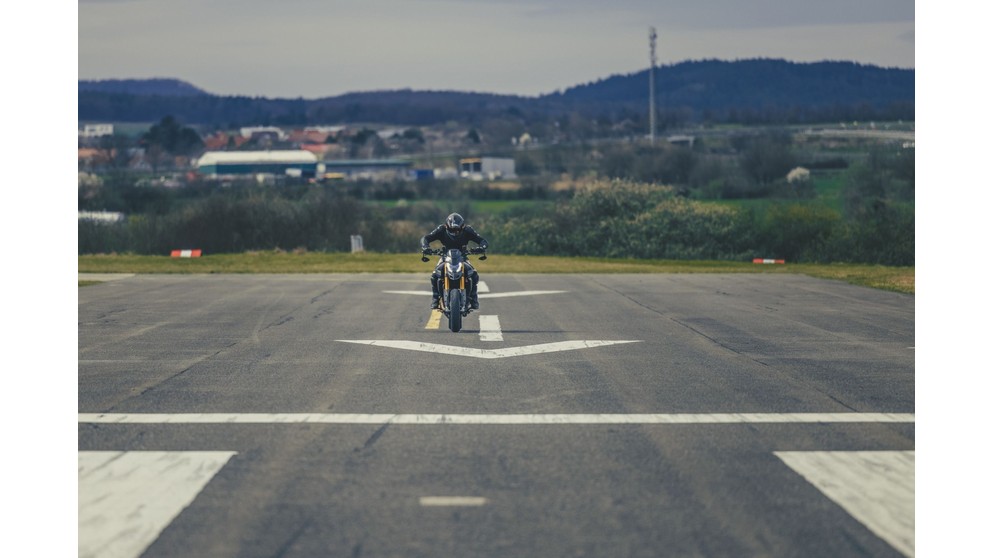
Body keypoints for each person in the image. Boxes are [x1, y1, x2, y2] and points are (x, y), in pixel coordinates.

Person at [421, 213, 489, 310]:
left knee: (473, 274)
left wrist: (482, 247)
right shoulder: (441, 229)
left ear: (462, 227)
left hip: (463, 257)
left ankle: (474, 298)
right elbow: (426, 238)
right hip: (445, 257)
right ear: (446, 226)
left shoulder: (468, 230)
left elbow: (482, 240)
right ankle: (435, 298)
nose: (455, 232)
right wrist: (425, 247)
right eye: (452, 230)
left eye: (458, 230)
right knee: (435, 275)